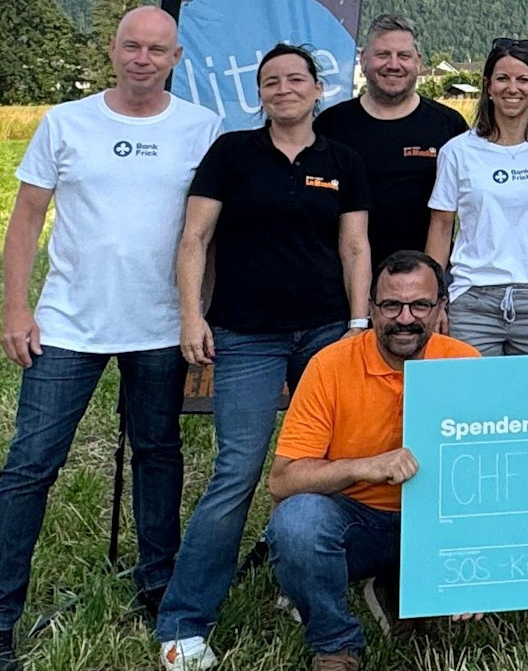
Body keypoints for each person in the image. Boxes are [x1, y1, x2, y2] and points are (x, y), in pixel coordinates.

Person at [0, 7, 220, 671]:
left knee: (159, 454)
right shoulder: (66, 121)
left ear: (176, 57)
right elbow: (26, 219)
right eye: (132, 45)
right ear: (112, 50)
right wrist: (15, 308)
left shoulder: (201, 128)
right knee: (30, 464)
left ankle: (157, 582)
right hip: (68, 324)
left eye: (156, 49)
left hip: (162, 324)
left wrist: (202, 311)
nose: (143, 57)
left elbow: (209, 233)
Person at [157, 43, 373, 671]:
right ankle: (184, 620)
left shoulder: (342, 160)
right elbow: (194, 237)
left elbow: (355, 247)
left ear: (316, 88)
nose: (284, 89)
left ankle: (300, 582)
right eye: (271, 81)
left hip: (327, 333)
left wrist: (358, 325)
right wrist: (192, 314)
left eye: (295, 79)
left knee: (329, 467)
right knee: (237, 472)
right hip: (246, 335)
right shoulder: (231, 154)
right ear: (260, 95)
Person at [266, 251, 479, 671]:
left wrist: (481, 566)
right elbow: (282, 482)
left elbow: (492, 476)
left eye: (420, 305)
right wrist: (363, 466)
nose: (405, 318)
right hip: (356, 522)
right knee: (296, 522)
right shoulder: (329, 365)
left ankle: (397, 589)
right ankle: (336, 644)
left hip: (436, 526)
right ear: (369, 308)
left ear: (440, 309)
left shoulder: (465, 363)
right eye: (390, 306)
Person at [426, 38, 528, 355]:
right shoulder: (458, 151)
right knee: (474, 402)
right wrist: (435, 297)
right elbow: (441, 226)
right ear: (487, 86)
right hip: (471, 301)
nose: (513, 88)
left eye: (523, 79)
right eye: (502, 78)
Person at [315, 14, 469, 264]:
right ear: (363, 60)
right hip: (344, 274)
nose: (393, 64)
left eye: (404, 56)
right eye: (383, 55)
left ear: (418, 62)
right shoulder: (330, 125)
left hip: (427, 278)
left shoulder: (449, 126)